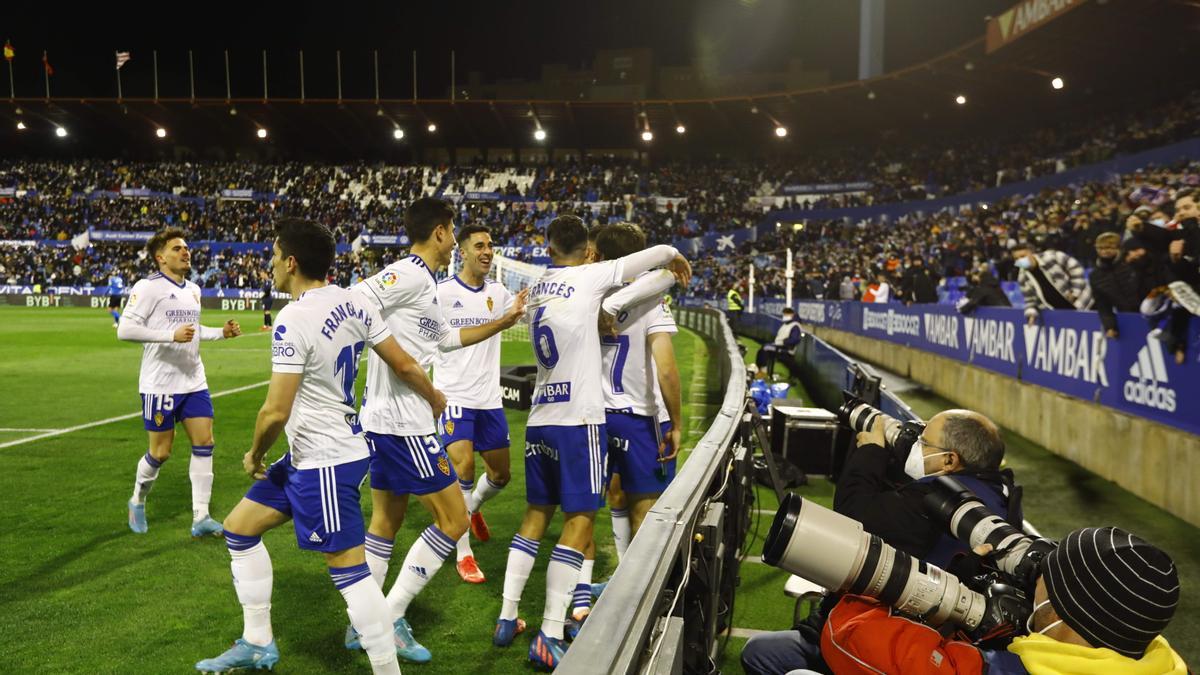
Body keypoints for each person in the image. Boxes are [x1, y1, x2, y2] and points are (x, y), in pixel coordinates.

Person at [195, 218, 407, 675]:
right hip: (314, 454)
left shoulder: (295, 316)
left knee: (348, 567)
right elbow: (399, 359)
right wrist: (430, 395)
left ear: (291, 262)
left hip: (325, 459)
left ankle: (388, 668)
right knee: (239, 527)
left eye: (274, 257)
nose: (270, 265)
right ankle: (257, 643)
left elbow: (275, 410)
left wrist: (254, 453)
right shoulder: (353, 300)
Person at [492, 215, 689, 669]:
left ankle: (553, 606)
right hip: (614, 419)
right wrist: (674, 422)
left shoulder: (561, 289)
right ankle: (620, 605)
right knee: (622, 513)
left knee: (567, 511)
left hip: (562, 417)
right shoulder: (639, 296)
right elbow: (665, 365)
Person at [348, 198, 527, 664]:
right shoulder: (408, 272)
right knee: (454, 520)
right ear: (444, 233)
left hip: (389, 422)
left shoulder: (424, 283)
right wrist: (413, 374)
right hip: (404, 424)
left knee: (385, 522)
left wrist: (504, 321)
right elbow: (357, 303)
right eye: (453, 234)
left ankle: (359, 622)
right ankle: (388, 618)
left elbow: (447, 338)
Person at [742, 409, 1020, 675]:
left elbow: (853, 520)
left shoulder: (938, 503)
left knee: (760, 654)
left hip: (886, 638)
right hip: (925, 637)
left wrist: (871, 451)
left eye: (923, 441)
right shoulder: (998, 500)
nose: (914, 443)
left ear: (949, 460)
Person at [820, 527, 1185, 674]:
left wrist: (931, 596)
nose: (1035, 582)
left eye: (1045, 578)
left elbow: (847, 637)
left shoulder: (993, 670)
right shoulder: (1167, 663)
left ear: (1060, 609)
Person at [583, 223, 683, 628]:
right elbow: (667, 369)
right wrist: (675, 422)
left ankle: (592, 595)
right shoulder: (652, 300)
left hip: (592, 417)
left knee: (603, 499)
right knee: (646, 510)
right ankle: (641, 601)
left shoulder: (588, 294)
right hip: (638, 419)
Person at [118, 228, 241, 537]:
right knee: (160, 453)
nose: (185, 252)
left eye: (186, 247)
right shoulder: (148, 288)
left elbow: (193, 329)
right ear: (161, 257)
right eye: (177, 248)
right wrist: (168, 335)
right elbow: (125, 329)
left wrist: (219, 333)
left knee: (205, 443)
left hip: (193, 380)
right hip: (160, 384)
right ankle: (137, 499)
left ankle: (201, 517)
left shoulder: (194, 290)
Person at [434, 223, 517, 584]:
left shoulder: (498, 293)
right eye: (479, 246)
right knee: (463, 466)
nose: (487, 251)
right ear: (462, 252)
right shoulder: (441, 293)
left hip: (489, 399)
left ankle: (473, 507)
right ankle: (464, 553)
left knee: (500, 475)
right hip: (454, 396)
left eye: (490, 245)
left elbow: (526, 311)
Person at [1010, 241, 1092, 325]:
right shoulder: (1022, 278)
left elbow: (1076, 269)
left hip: (1085, 304)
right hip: (1062, 314)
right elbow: (1030, 300)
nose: (1020, 260)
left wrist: (1075, 292)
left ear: (1031, 253)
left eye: (1023, 256)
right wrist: (1031, 313)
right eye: (1016, 259)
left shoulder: (1052, 256)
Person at [1089, 232, 1143, 339]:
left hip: (1149, 314)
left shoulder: (1133, 263)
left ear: (1119, 248)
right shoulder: (1095, 275)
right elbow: (1103, 305)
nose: (1105, 251)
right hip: (1126, 319)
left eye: (1109, 247)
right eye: (1101, 248)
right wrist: (1110, 326)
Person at [756, 306, 803, 379]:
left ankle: (763, 371)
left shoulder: (795, 326)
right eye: (784, 315)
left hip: (786, 349)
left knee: (765, 349)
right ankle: (761, 369)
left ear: (792, 315)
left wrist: (785, 342)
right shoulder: (786, 324)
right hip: (779, 346)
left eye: (786, 315)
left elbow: (794, 339)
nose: (784, 316)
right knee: (763, 349)